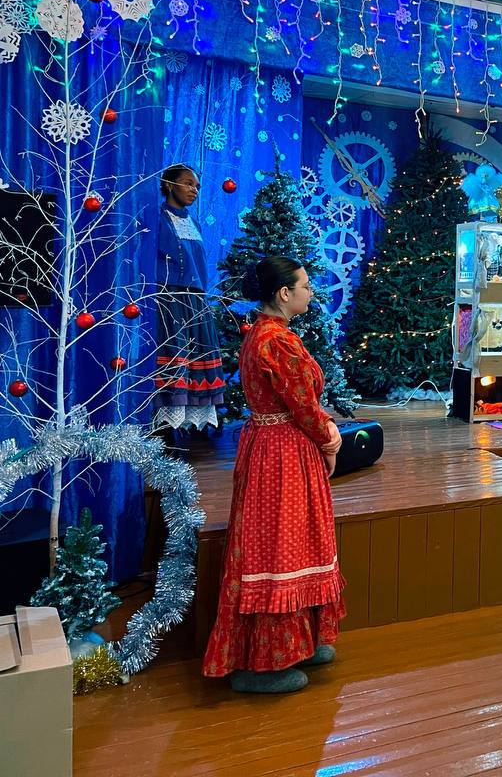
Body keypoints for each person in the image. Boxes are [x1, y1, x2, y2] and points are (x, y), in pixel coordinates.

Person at [203, 257, 345, 694]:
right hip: (282, 452)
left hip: (275, 446)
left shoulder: (263, 333)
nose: (311, 293)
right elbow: (302, 404)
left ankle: (300, 641)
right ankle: (264, 663)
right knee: (279, 546)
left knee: (293, 541)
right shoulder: (276, 340)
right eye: (306, 286)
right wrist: (330, 437)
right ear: (284, 293)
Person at [153, 164, 226, 432]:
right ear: (169, 184)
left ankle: (187, 426)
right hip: (170, 298)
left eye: (196, 186)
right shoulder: (158, 218)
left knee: (196, 360)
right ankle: (165, 427)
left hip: (195, 300)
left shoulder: (194, 223)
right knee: (174, 356)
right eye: (187, 183)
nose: (194, 190)